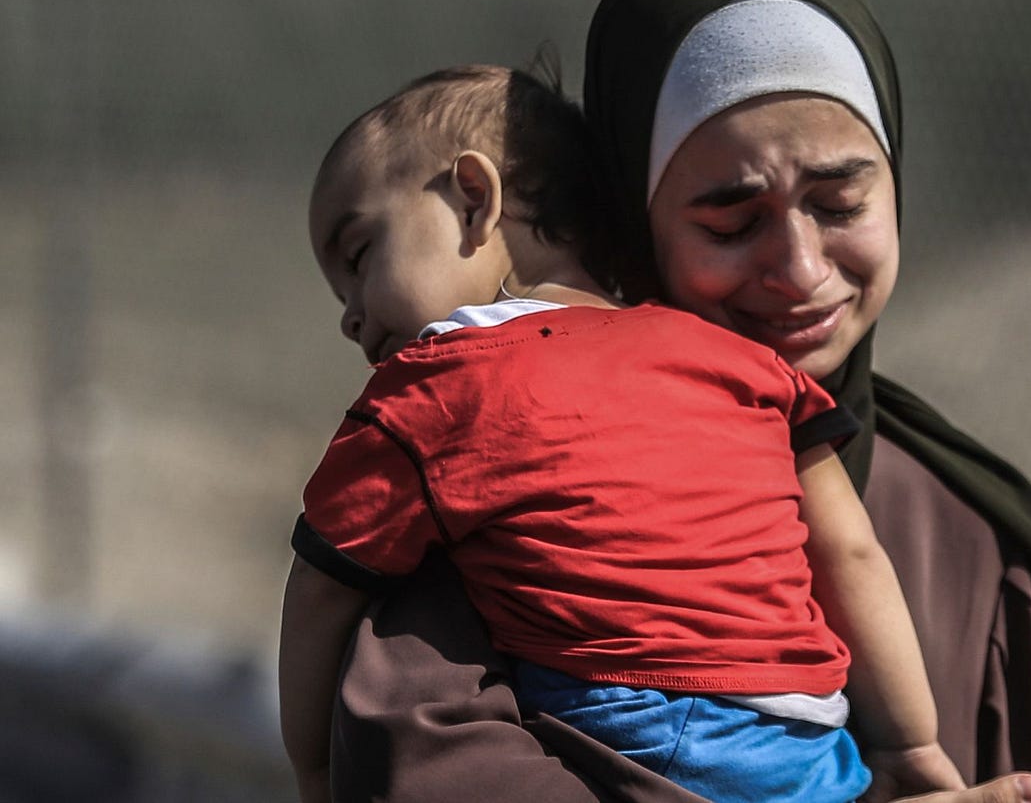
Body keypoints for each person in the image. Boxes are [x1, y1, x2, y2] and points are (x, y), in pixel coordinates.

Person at [325, 0, 1031, 803]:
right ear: (632, 231)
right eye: (730, 221)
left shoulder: (971, 545)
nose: (798, 271)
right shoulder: (500, 483)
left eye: (839, 201)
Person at [279, 63, 966, 803]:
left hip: (641, 727)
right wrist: (911, 743)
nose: (350, 313)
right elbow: (850, 549)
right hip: (811, 733)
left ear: (474, 200)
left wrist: (315, 765)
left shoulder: (435, 387)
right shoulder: (733, 356)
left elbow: (321, 592)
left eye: (358, 257)